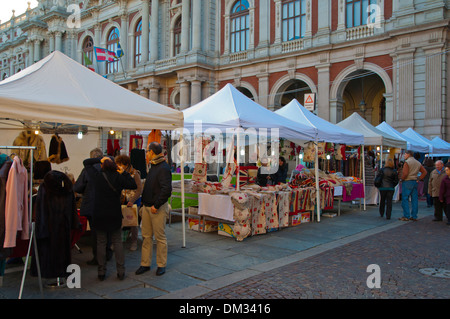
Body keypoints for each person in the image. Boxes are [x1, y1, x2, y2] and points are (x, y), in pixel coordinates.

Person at [83, 156, 137, 281]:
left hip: (99, 214)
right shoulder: (118, 177)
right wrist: (123, 172)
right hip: (114, 213)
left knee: (101, 242)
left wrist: (101, 158)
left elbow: (86, 162)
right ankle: (121, 270)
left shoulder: (96, 176)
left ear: (102, 166)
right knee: (117, 241)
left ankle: (101, 271)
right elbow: (133, 184)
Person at [135, 142, 172, 276]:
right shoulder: (154, 165)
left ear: (151, 152)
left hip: (156, 208)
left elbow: (166, 189)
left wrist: (156, 205)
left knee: (160, 238)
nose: (146, 154)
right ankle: (145, 263)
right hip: (147, 207)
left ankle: (161, 265)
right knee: (146, 237)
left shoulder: (163, 167)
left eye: (147, 152)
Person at [74, 148, 113, 265]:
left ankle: (98, 257)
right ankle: (107, 253)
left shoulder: (87, 170)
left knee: (96, 233)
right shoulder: (110, 168)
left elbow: (77, 187)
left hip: (93, 205)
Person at [115, 155, 143, 251]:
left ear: (126, 164)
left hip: (134, 201)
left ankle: (134, 242)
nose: (119, 166)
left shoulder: (135, 173)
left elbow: (139, 189)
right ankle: (116, 241)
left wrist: (132, 201)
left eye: (120, 164)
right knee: (119, 222)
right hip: (122, 200)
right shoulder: (119, 172)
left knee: (133, 223)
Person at [399, 150, 427, 221]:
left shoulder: (407, 162)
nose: (404, 155)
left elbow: (405, 173)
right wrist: (419, 178)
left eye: (405, 154)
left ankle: (406, 215)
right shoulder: (418, 162)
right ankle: (414, 215)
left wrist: (401, 179)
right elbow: (424, 172)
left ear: (408, 154)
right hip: (415, 181)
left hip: (407, 181)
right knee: (414, 199)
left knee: (405, 199)